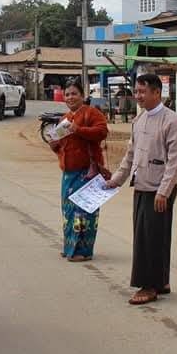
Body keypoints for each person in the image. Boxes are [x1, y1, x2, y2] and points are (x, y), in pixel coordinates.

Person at [104, 73, 177, 305]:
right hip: (141, 185)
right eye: (136, 91)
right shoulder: (138, 121)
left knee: (150, 239)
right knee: (148, 236)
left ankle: (149, 286)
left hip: (159, 190)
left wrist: (164, 191)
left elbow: (175, 160)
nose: (138, 96)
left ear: (157, 93)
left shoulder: (172, 120)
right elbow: (130, 156)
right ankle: (161, 281)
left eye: (142, 91)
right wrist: (116, 180)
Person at [49, 78, 109, 261]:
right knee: (68, 212)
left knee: (84, 212)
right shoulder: (64, 118)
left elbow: (102, 132)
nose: (70, 97)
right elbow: (61, 146)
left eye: (74, 93)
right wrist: (54, 144)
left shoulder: (92, 113)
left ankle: (82, 251)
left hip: (87, 174)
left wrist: (78, 129)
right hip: (68, 174)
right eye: (67, 94)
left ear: (83, 96)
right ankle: (69, 248)